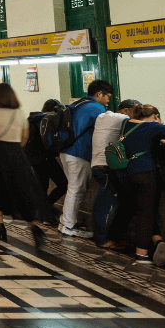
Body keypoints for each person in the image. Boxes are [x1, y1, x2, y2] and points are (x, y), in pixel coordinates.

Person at [0, 83, 51, 248]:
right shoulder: (19, 113)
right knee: (22, 189)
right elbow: (25, 136)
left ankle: (0, 227)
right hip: (17, 153)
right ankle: (34, 226)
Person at [108, 104, 165, 265]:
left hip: (123, 174)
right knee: (147, 213)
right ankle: (141, 253)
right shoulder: (155, 127)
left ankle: (157, 240)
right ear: (155, 116)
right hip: (145, 173)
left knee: (136, 208)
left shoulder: (126, 124)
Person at [58, 80, 113, 238]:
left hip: (66, 151)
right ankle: (68, 226)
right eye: (108, 96)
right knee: (76, 190)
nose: (108, 100)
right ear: (99, 93)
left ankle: (65, 223)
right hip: (79, 153)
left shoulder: (78, 104)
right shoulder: (97, 108)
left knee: (73, 188)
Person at [90, 98, 142, 249]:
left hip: (97, 165)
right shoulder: (123, 119)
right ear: (126, 110)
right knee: (104, 206)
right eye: (136, 111)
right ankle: (102, 240)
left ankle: (110, 237)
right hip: (107, 168)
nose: (138, 114)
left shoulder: (103, 116)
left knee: (112, 203)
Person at [25, 98, 69, 205]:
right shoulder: (46, 120)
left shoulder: (32, 118)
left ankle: (42, 210)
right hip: (45, 157)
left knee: (42, 187)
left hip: (33, 158)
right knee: (63, 185)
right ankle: (46, 209)